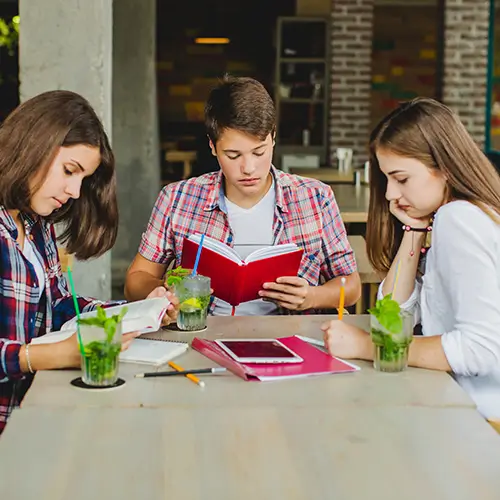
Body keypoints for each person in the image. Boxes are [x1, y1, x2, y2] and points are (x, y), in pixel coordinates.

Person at [0, 90, 176, 434]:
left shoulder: (36, 225)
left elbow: (61, 307)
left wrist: (135, 313)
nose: (75, 191)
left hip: (34, 415)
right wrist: (42, 357)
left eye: (82, 178)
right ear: (35, 144)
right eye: (70, 170)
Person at [322, 97, 500, 421]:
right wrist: (414, 230)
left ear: (444, 169)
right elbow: (390, 314)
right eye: (387, 178)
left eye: (401, 179)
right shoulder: (453, 217)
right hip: (459, 407)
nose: (390, 193)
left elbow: (481, 350)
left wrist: (367, 348)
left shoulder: (459, 220)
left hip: (483, 422)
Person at [125, 76, 361, 315]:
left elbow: (351, 286)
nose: (248, 168)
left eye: (259, 152)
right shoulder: (177, 199)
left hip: (290, 339)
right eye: (233, 155)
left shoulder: (315, 198)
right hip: (202, 337)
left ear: (273, 137)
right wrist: (164, 291)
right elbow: (135, 280)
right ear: (212, 146)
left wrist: (311, 296)